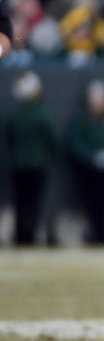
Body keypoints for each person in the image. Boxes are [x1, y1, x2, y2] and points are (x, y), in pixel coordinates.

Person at [65, 79, 104, 244]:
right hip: (86, 170)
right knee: (88, 202)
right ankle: (90, 234)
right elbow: (75, 142)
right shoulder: (82, 119)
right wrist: (91, 157)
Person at [5, 71, 57, 245]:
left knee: (20, 203)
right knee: (33, 204)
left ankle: (20, 236)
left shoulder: (15, 115)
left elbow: (9, 139)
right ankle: (30, 236)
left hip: (18, 164)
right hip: (38, 164)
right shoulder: (41, 114)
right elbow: (51, 138)